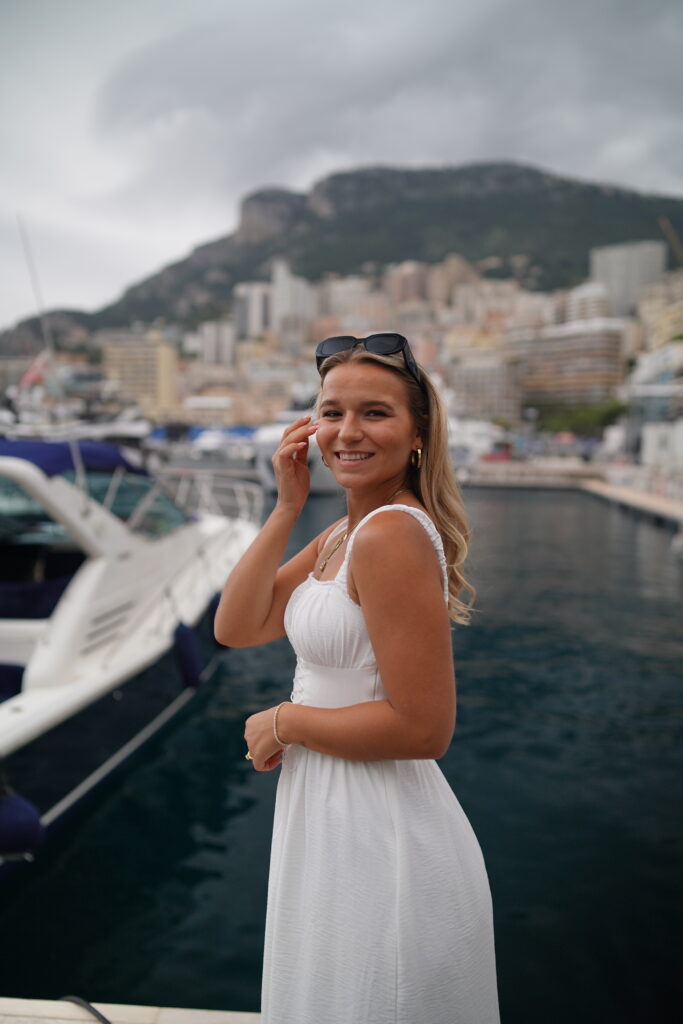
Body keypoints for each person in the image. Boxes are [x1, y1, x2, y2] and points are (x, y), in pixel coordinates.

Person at [214, 333, 500, 1024]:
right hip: (335, 804)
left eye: (374, 413)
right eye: (331, 412)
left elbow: (423, 729)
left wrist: (285, 720)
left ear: (418, 434)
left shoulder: (388, 534)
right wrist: (286, 506)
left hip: (376, 825)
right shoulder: (347, 532)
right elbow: (237, 626)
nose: (347, 431)